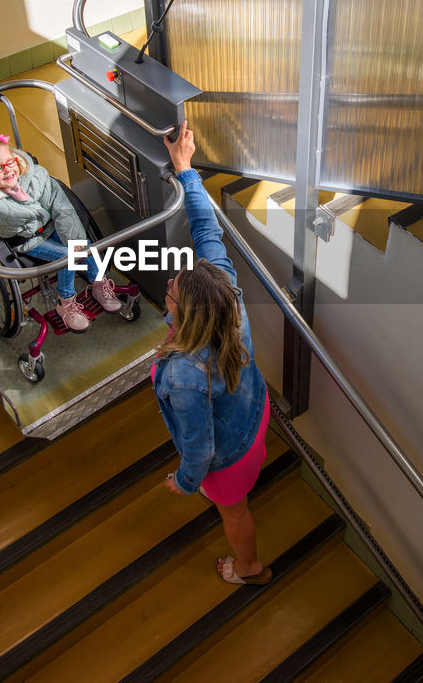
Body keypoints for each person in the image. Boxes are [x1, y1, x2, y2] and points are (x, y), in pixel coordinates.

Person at [154, 122, 272, 585]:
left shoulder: (186, 375)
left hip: (227, 456)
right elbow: (206, 226)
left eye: (172, 293)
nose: (168, 285)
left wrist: (183, 483)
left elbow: (200, 447)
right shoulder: (224, 292)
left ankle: (250, 568)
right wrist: (185, 168)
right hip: (254, 414)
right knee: (242, 485)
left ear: (189, 316)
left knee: (235, 513)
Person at [0, 133, 120, 331]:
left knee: (85, 244)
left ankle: (98, 284)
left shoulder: (35, 176)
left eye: (9, 162)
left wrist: (74, 239)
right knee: (67, 255)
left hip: (50, 226)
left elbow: (60, 205)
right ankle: (66, 302)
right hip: (27, 240)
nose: (7, 170)